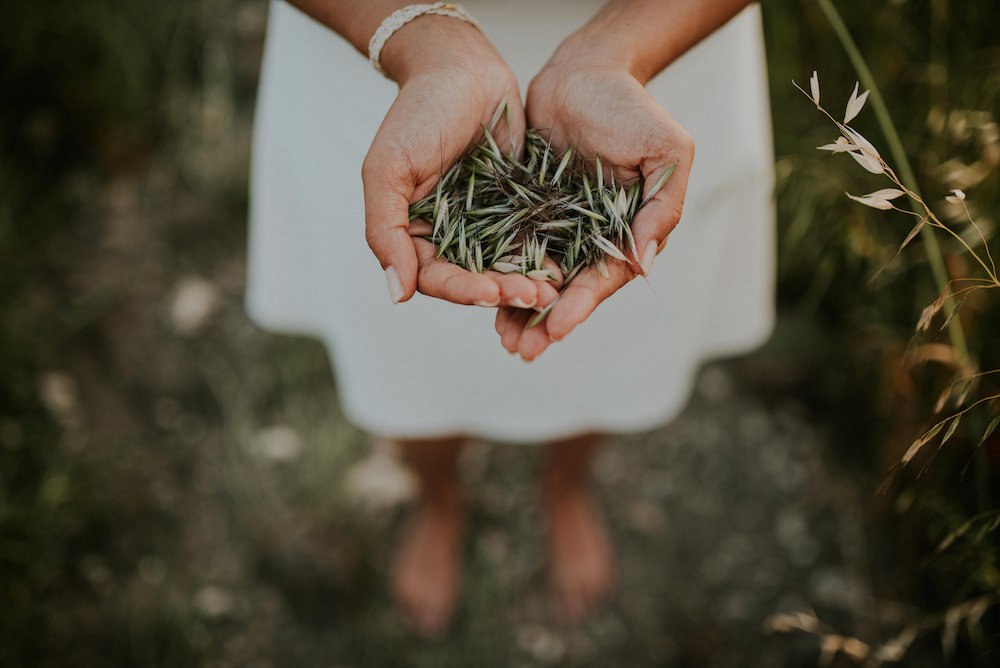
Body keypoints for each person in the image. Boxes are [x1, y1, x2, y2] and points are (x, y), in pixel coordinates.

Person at [247, 0, 774, 637]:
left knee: (599, 351)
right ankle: (438, 497)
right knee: (412, 365)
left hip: (658, 46)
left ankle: (565, 486)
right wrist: (418, 38)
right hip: (385, 55)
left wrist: (616, 49)